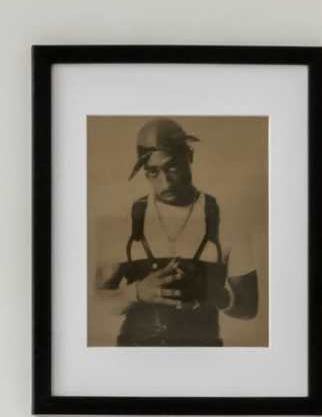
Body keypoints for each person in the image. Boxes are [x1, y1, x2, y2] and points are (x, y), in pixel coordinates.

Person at [104, 118, 254, 345]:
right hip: (134, 361)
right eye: (153, 172)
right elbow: (92, 303)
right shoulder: (124, 221)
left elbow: (249, 308)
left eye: (172, 167)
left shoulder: (227, 220)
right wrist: (135, 293)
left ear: (189, 156)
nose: (165, 183)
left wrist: (213, 293)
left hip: (201, 364)